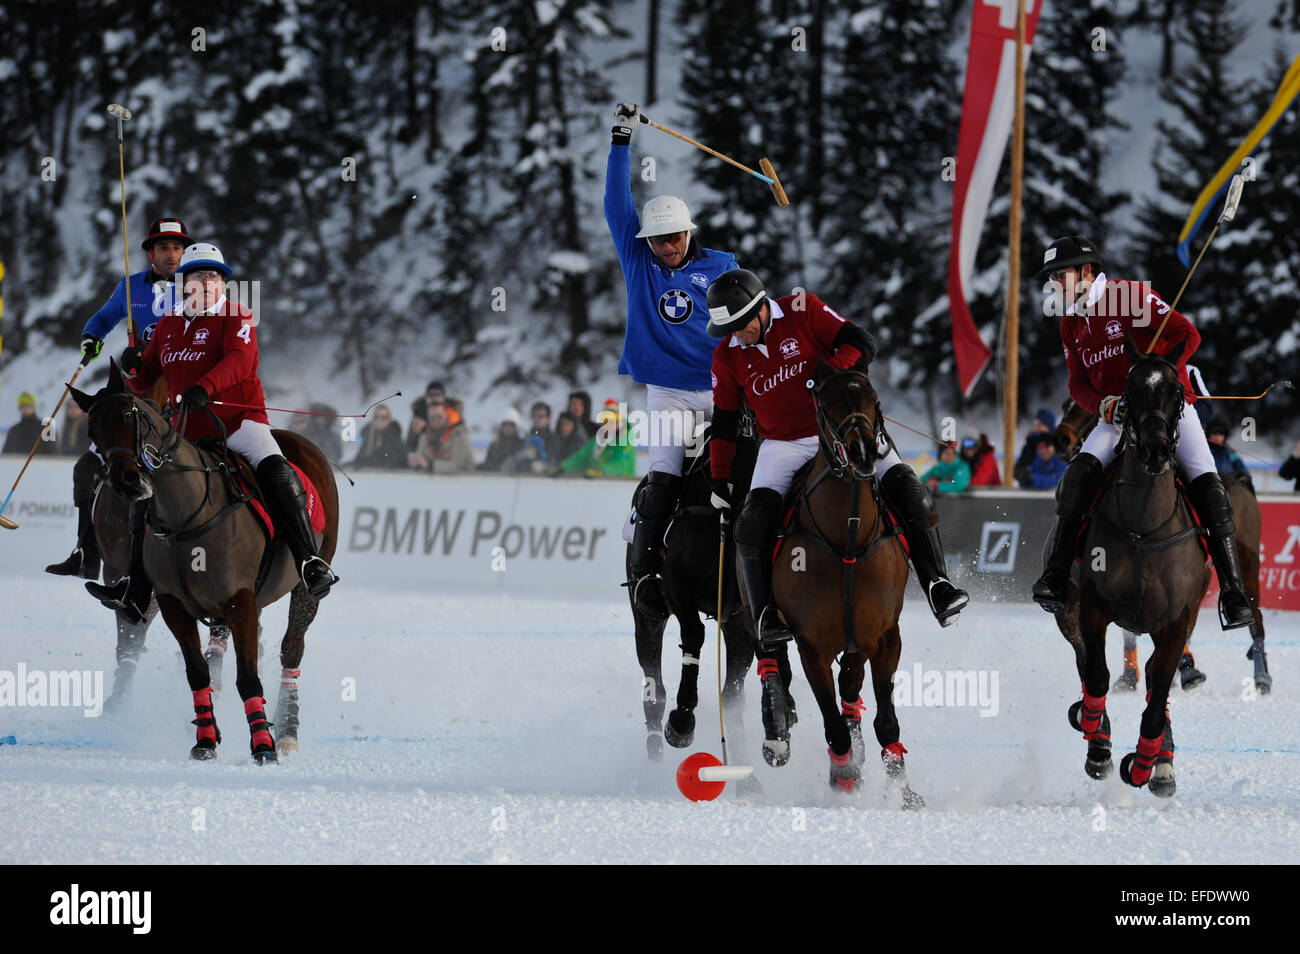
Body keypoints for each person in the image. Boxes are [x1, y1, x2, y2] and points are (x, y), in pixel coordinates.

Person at [706, 269, 968, 647]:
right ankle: (765, 614)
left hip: (843, 426)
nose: (738, 334)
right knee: (752, 522)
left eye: (742, 324)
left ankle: (937, 584)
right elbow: (725, 421)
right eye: (729, 328)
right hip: (783, 443)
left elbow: (862, 342)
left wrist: (832, 374)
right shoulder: (726, 356)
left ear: (761, 308)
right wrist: (720, 478)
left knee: (910, 490)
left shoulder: (802, 309)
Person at [86, 242, 338, 621]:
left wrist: (204, 387)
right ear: (184, 283)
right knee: (144, 489)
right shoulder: (169, 325)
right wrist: (135, 368)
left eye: (215, 276)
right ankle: (136, 586)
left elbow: (240, 361)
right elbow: (146, 380)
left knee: (274, 468)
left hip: (239, 426)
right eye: (200, 276)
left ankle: (309, 561)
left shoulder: (237, 317)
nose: (208, 282)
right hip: (185, 434)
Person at [1029, 235, 1252, 628]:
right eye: (1050, 278)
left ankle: (1233, 592)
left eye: (1059, 275)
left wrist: (1159, 372)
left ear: (1085, 272)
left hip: (1165, 410)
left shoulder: (1126, 296)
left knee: (1207, 481)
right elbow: (1077, 382)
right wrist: (1102, 405)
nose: (1054, 285)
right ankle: (1056, 575)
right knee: (1077, 475)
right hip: (1116, 417)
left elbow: (1188, 334)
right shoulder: (1069, 324)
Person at [607, 101, 743, 618]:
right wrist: (621, 140)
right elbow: (615, 203)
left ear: (690, 233)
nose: (666, 246)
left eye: (674, 236)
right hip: (667, 392)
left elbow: (755, 316)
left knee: (759, 471)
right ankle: (644, 578)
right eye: (657, 239)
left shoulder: (723, 267)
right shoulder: (638, 259)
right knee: (664, 475)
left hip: (722, 388)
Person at [46, 217, 187, 578]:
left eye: (176, 247)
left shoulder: (196, 289)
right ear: (150, 253)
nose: (171, 254)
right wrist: (91, 338)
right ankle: (86, 552)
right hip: (138, 396)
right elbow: (103, 318)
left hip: (184, 398)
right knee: (87, 469)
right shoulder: (131, 288)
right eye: (163, 247)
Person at [554, 400, 637, 478]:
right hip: (599, 485)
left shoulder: (626, 440)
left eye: (613, 419)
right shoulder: (598, 440)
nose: (608, 423)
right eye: (605, 419)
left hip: (622, 486)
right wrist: (563, 468)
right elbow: (581, 456)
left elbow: (621, 463)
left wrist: (601, 471)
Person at [408, 397, 474, 474]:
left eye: (439, 417)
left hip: (465, 482)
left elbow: (457, 465)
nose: (435, 421)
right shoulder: (425, 435)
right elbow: (422, 458)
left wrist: (430, 465)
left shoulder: (459, 434)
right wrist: (416, 463)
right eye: (432, 418)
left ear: (446, 415)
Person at [347, 404, 405, 470]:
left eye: (383, 417)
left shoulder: (394, 435)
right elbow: (361, 457)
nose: (379, 420)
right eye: (376, 417)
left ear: (389, 419)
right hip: (371, 474)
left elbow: (391, 458)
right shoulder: (368, 433)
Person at [1014, 408, 1056, 487]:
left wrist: (1034, 479)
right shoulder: (1031, 444)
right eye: (1036, 425)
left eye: (1040, 425)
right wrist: (1022, 475)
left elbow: (1060, 478)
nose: (1037, 428)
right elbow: (1021, 469)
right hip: (1031, 495)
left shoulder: (1060, 444)